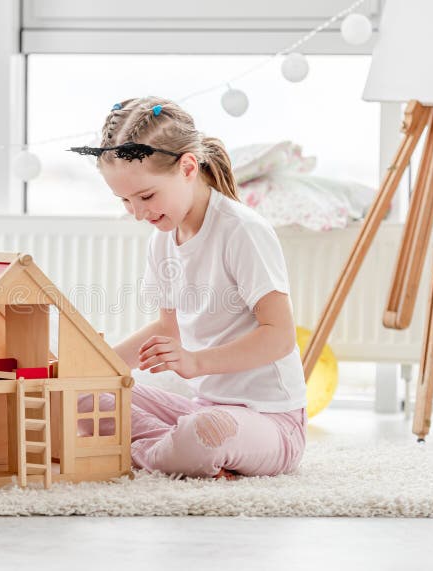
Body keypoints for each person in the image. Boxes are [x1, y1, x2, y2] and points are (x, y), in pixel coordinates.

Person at [69, 96, 307, 479]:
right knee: (80, 397)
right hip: (203, 409)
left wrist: (195, 362)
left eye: (146, 196)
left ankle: (147, 453)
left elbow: (279, 337)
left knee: (204, 432)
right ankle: (172, 452)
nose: (139, 212)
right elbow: (167, 329)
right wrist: (96, 365)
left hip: (271, 422)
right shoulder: (162, 239)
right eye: (126, 201)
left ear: (188, 167)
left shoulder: (241, 230)